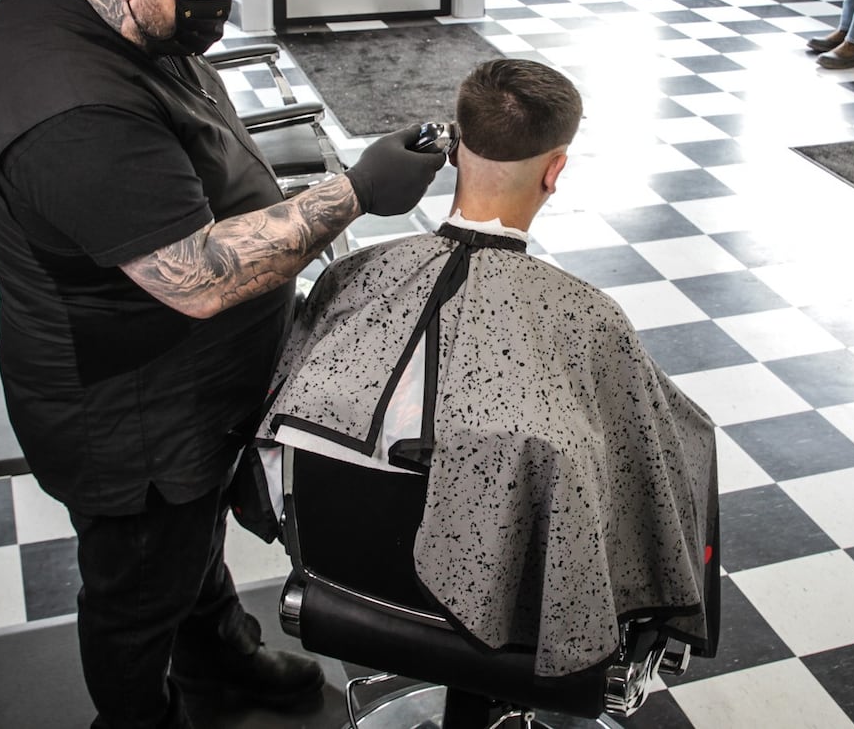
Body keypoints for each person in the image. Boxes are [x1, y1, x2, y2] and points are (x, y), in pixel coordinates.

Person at [0, 0, 445, 729]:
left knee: (189, 539)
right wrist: (356, 192)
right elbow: (197, 278)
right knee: (139, 581)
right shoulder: (68, 108)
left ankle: (219, 658)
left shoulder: (111, 11)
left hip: (187, 386)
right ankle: (140, 718)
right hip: (130, 408)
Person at [259, 59, 718, 679]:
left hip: (338, 575)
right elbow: (646, 472)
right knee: (687, 434)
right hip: (509, 613)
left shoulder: (351, 276)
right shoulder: (589, 319)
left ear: (452, 151)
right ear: (555, 171)